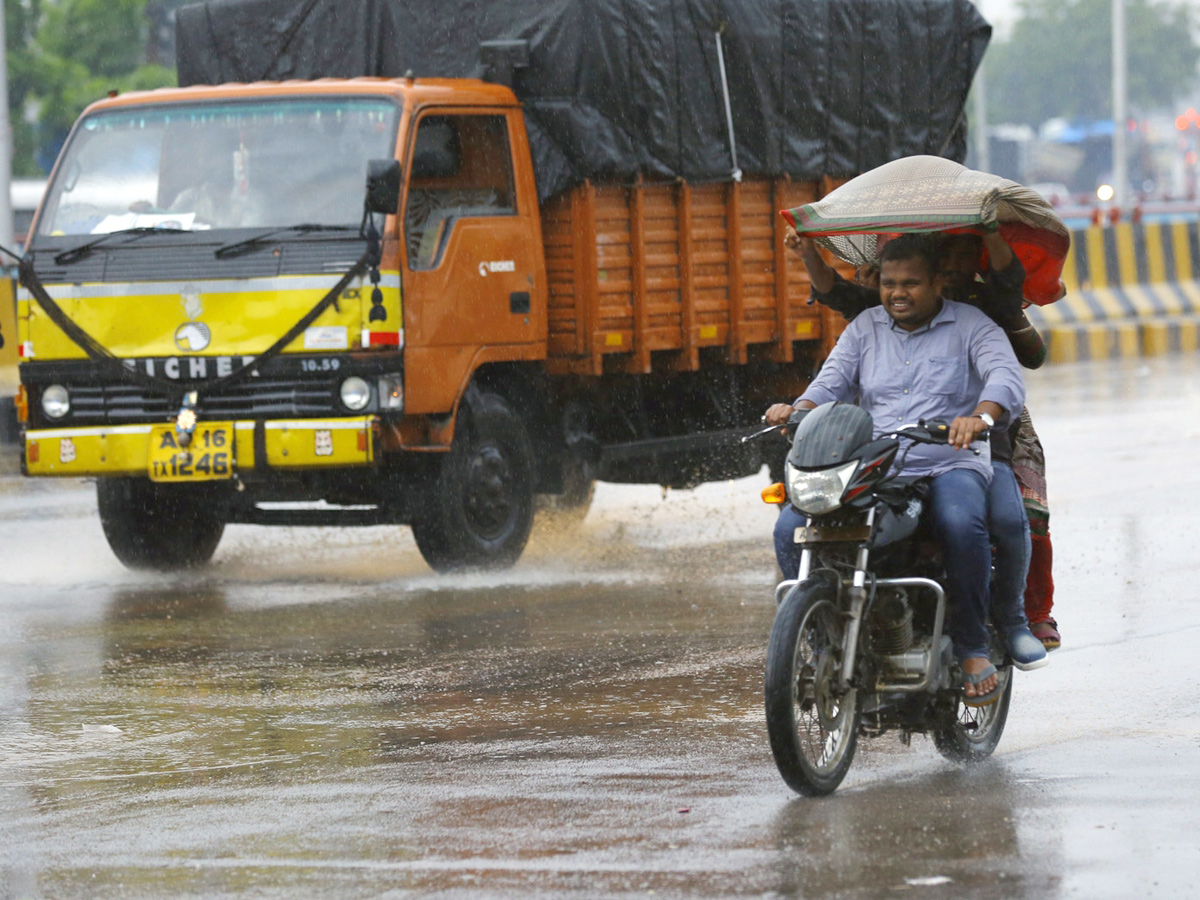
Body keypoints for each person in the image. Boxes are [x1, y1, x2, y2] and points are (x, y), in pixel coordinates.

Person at [765, 233, 1031, 705]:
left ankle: (971, 646)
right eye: (889, 283)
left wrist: (981, 416)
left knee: (959, 522)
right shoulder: (865, 327)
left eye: (910, 283)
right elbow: (832, 379)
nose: (897, 293)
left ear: (936, 284)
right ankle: (818, 638)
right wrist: (798, 407)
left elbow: (1004, 376)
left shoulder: (972, 325)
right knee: (791, 526)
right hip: (875, 465)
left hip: (949, 461)